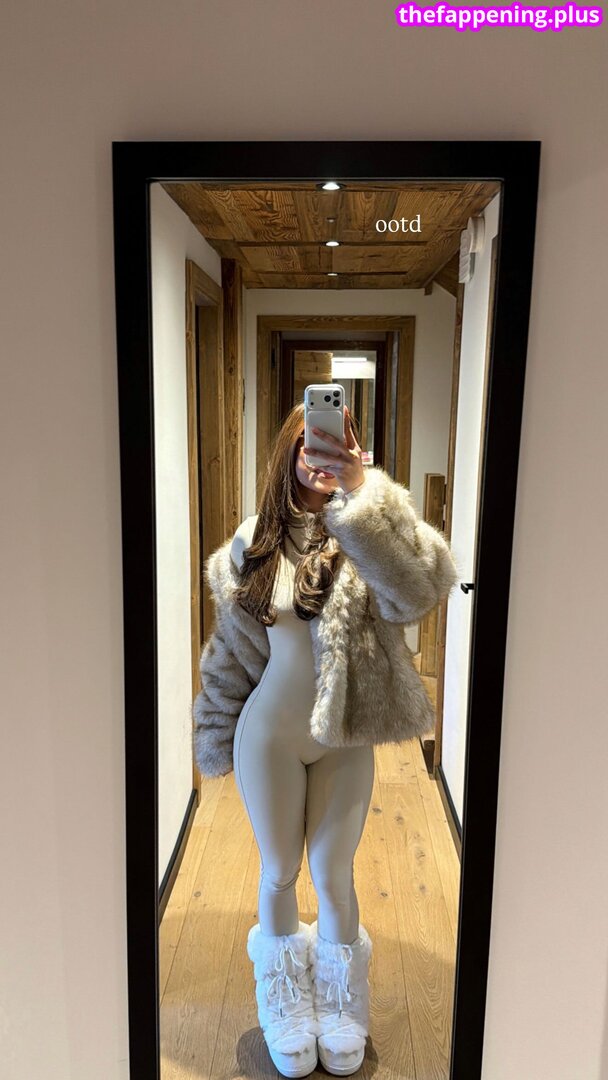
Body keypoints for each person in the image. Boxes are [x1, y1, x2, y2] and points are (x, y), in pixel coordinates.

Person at [192, 402, 460, 1078]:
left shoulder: (367, 532)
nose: (321, 458)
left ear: (355, 450)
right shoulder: (251, 542)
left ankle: (343, 1004)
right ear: (288, 453)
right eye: (310, 445)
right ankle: (284, 1001)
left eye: (337, 444)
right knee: (279, 869)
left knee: (335, 874)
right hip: (269, 734)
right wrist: (214, 728)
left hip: (345, 734)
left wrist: (362, 498)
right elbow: (232, 651)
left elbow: (422, 591)